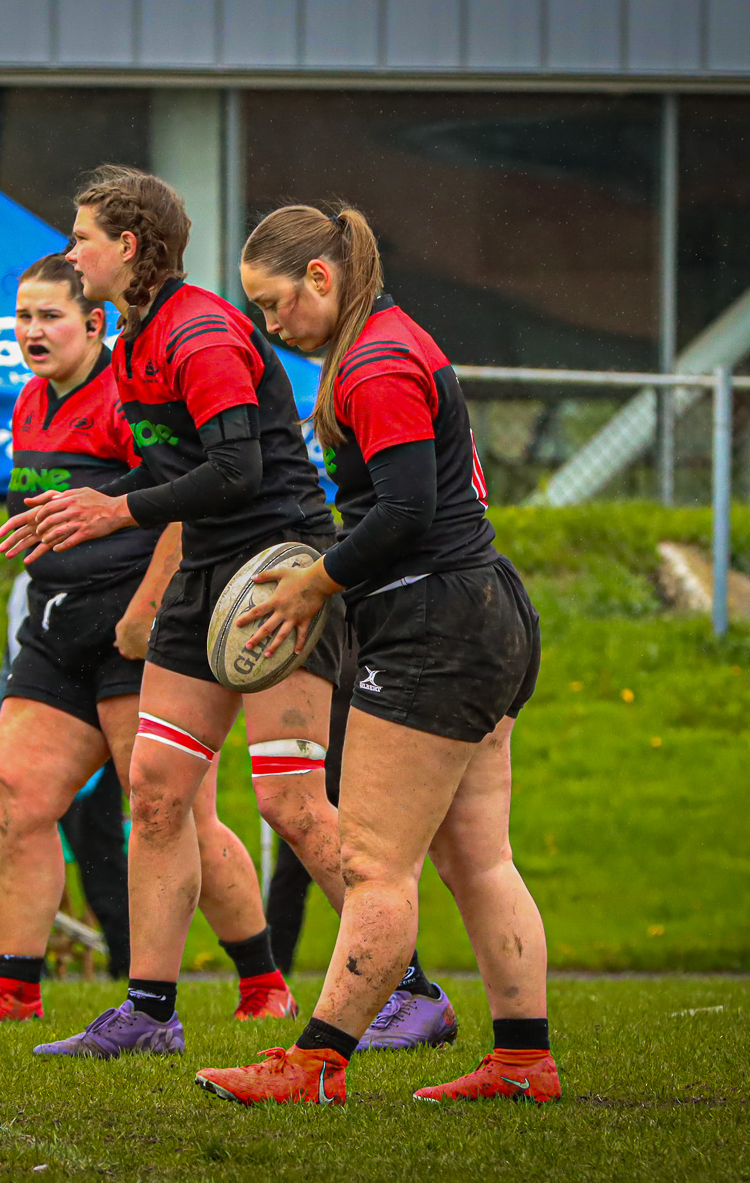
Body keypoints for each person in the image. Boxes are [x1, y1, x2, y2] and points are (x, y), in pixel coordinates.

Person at [7, 167, 421, 1060]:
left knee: (291, 804)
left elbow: (237, 473)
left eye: (82, 236)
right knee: (155, 792)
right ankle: (150, 1013)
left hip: (278, 572)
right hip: (204, 574)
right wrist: (103, 502)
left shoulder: (199, 332)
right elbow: (174, 477)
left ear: (127, 246)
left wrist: (113, 509)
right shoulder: (133, 338)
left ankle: (406, 985)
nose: (71, 250)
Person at [193, 204, 553, 1107]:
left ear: (323, 276)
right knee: (478, 859)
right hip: (482, 611)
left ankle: (315, 1063)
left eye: (276, 305)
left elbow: (403, 514)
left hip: (436, 623)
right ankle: (523, 1062)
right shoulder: (384, 342)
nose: (273, 328)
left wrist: (316, 583)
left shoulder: (378, 361)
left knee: (372, 864)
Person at [0, 253, 286, 1023]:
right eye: (23, 317)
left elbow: (182, 504)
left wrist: (145, 611)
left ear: (95, 322)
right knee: (16, 795)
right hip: (54, 626)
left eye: (50, 317)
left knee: (177, 815)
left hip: (134, 630)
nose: (32, 332)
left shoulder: (123, 394)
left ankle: (262, 984)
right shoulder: (31, 400)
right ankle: (15, 989)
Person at [0, 571, 131, 983]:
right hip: (26, 739)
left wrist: (101, 752)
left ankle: (133, 970)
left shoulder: (104, 574)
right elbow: (14, 674)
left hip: (89, 743)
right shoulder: (23, 586)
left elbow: (112, 672)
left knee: (102, 863)